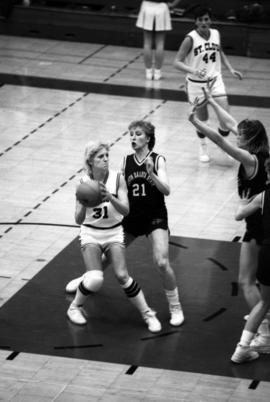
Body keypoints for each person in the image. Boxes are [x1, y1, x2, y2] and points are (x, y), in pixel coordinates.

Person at [66, 122, 184, 327]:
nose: (133, 137)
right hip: (132, 216)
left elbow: (167, 190)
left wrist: (152, 174)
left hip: (154, 216)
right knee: (105, 258)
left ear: (147, 138)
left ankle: (175, 307)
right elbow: (118, 189)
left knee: (162, 262)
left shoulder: (157, 160)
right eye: (131, 134)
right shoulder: (125, 161)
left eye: (138, 134)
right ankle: (88, 279)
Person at [188, 86, 270, 349]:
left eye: (241, 136)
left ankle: (265, 330)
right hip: (264, 219)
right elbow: (232, 124)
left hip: (256, 225)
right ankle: (262, 317)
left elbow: (221, 140)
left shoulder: (248, 159)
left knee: (247, 281)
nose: (237, 137)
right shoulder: (263, 153)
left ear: (250, 140)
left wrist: (197, 121)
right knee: (260, 282)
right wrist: (212, 101)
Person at [174, 6, 243, 162]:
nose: (204, 22)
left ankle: (223, 145)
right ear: (195, 22)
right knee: (202, 120)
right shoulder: (190, 39)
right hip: (196, 84)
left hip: (215, 80)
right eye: (200, 20)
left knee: (225, 118)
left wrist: (230, 69)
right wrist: (193, 70)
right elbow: (176, 62)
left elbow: (220, 52)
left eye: (206, 19)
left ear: (210, 20)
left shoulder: (216, 33)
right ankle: (203, 146)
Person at [231, 157, 270, 363]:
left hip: (266, 253)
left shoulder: (262, 196)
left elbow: (238, 216)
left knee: (264, 302)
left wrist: (243, 202)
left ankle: (242, 348)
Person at [136, 0, 183, 80]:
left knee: (147, 43)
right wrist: (173, 4)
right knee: (160, 43)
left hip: (147, 6)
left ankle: (148, 73)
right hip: (162, 7)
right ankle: (157, 73)